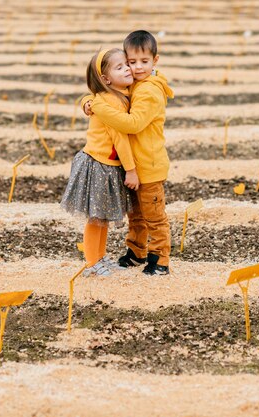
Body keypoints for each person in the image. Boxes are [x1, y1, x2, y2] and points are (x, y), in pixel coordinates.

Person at [83, 30, 174, 275]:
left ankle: (160, 259)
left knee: (154, 216)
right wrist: (87, 101)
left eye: (144, 62)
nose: (136, 68)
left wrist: (100, 109)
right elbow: (105, 92)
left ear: (155, 60)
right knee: (136, 216)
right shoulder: (134, 84)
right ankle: (136, 252)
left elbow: (133, 123)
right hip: (133, 166)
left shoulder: (149, 91)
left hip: (149, 166)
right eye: (131, 63)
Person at [61, 48, 140, 277]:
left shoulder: (118, 94)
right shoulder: (108, 103)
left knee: (102, 217)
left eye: (127, 64)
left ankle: (100, 257)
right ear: (106, 79)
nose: (127, 68)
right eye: (119, 67)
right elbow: (120, 139)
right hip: (98, 165)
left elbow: (90, 97)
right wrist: (131, 170)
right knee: (95, 219)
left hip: (108, 165)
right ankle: (91, 262)